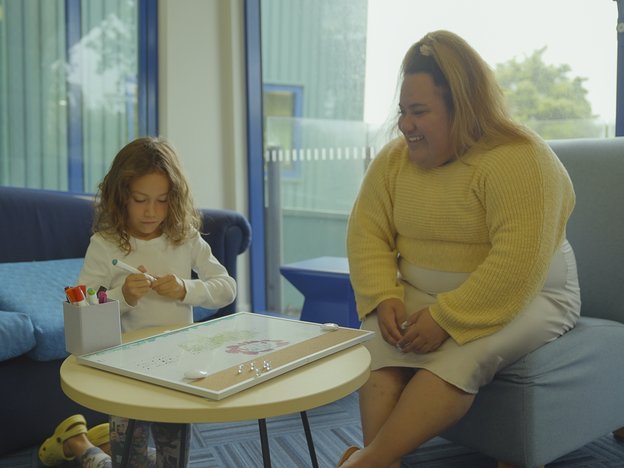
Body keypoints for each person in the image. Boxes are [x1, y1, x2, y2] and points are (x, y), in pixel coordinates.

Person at [339, 30, 581, 468]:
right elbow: (366, 233)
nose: (405, 125)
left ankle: (367, 462)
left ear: (463, 107)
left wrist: (448, 318)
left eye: (419, 112)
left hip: (532, 296)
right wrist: (382, 296)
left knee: (460, 357)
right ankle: (383, 460)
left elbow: (517, 266)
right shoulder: (392, 163)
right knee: (377, 345)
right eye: (403, 112)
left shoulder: (521, 159)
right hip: (423, 294)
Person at [39, 136, 237, 467]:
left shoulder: (184, 237)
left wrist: (186, 288)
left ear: (174, 198)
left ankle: (85, 443)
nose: (151, 211)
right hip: (125, 370)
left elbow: (226, 287)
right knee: (128, 460)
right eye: (140, 199)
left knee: (174, 459)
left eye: (162, 200)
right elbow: (82, 305)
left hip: (178, 370)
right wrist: (123, 297)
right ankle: (80, 444)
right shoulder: (106, 244)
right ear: (121, 197)